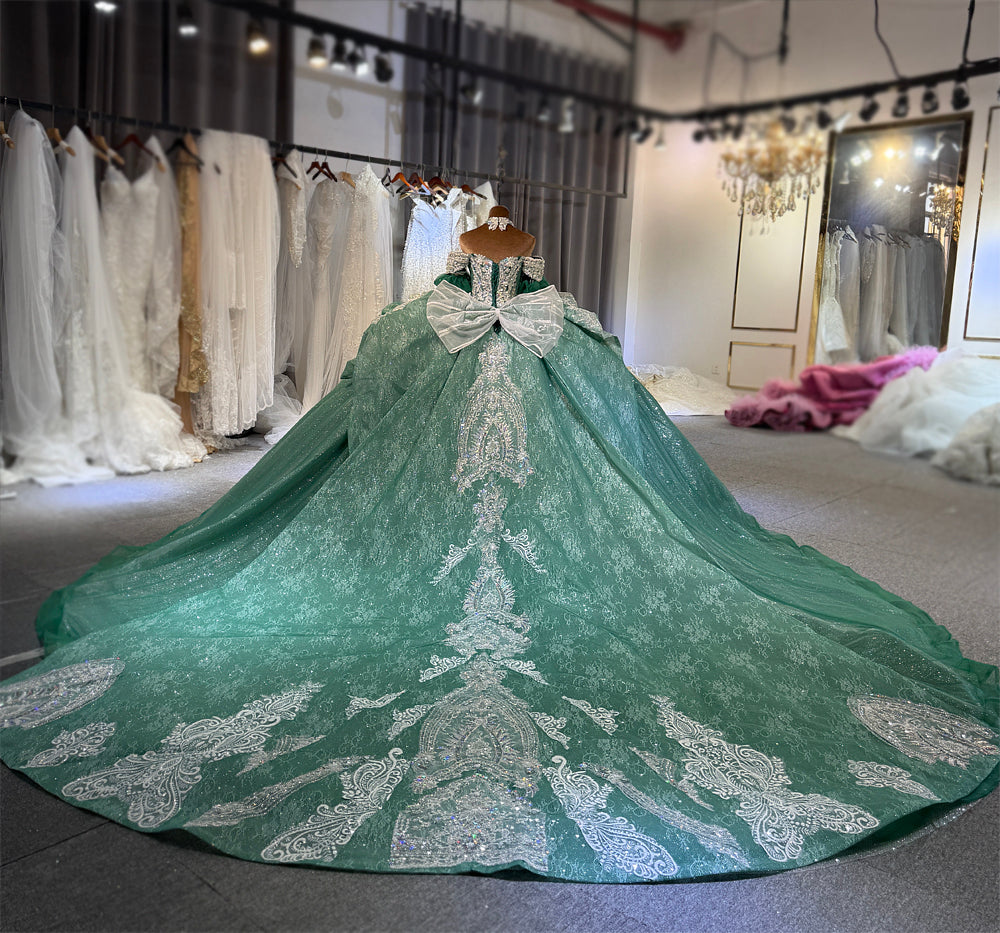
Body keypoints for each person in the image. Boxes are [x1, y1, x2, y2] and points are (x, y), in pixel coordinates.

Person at [1, 208, 996, 882]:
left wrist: (688, 515)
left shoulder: (556, 331)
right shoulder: (429, 328)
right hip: (408, 532)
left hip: (552, 536)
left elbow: (635, 442)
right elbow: (356, 432)